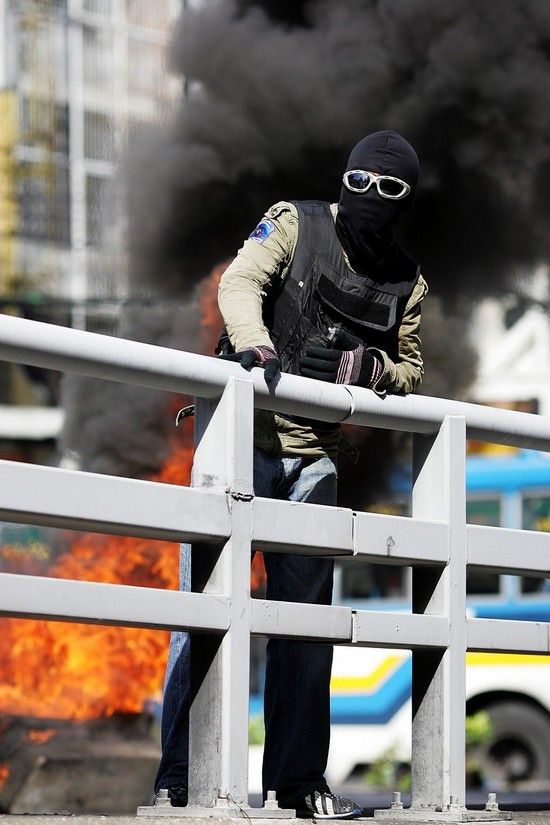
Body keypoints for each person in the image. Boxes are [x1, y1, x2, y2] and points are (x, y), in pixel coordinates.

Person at [155, 130, 427, 819]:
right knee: (203, 614)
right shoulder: (293, 223)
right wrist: (254, 342)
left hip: (315, 458)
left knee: (304, 627)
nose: (369, 198)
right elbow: (240, 281)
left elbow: (412, 367)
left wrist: (379, 371)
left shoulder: (407, 281)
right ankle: (180, 778)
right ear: (345, 179)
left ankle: (299, 782)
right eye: (359, 182)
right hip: (237, 441)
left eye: (388, 190)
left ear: (405, 202)